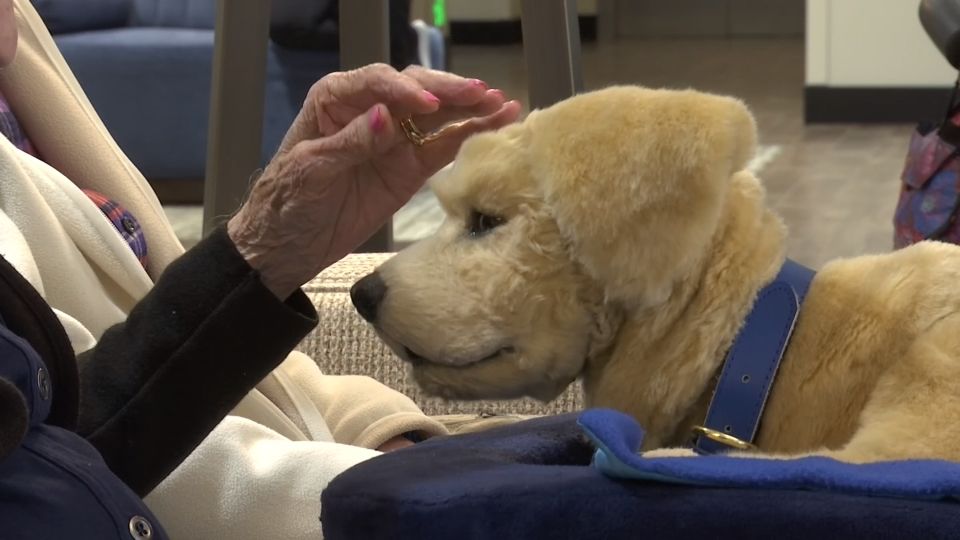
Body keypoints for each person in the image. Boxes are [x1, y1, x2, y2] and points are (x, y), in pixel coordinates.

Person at [0, 0, 521, 538]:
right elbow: (56, 461)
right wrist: (394, 487)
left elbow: (135, 331)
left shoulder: (19, 44)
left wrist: (371, 424)